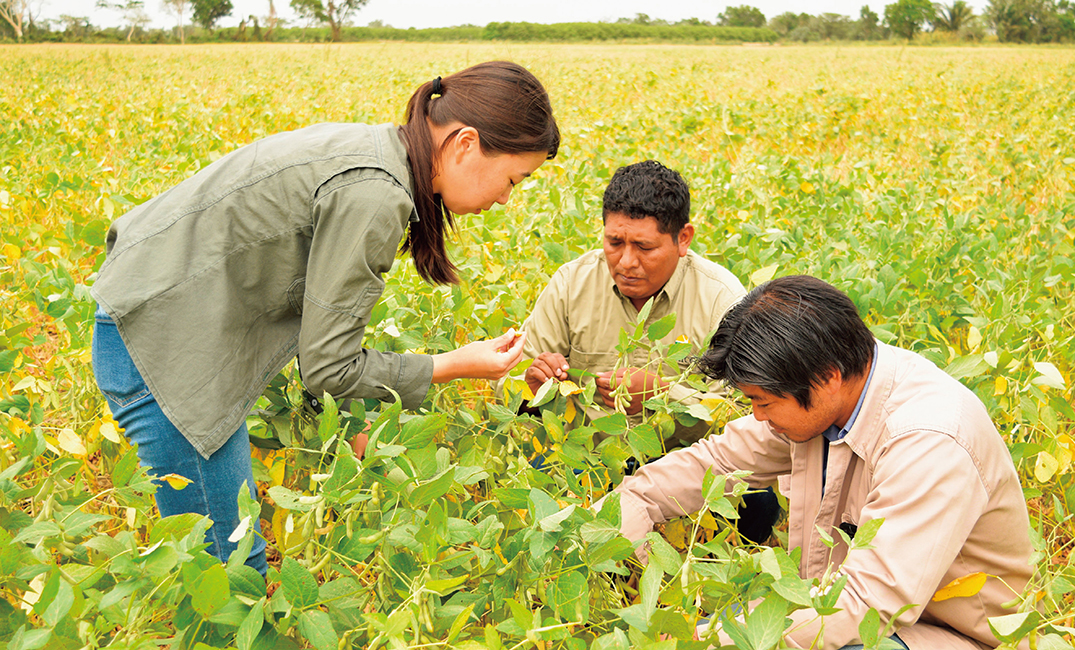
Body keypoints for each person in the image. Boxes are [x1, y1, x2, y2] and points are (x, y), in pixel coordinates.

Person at [90, 61, 560, 574]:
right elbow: (329, 369)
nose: (506, 198)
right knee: (228, 569)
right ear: (465, 144)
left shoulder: (377, 150)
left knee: (223, 557)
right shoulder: (377, 192)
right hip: (161, 349)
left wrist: (356, 428)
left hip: (163, 324)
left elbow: (316, 335)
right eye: (515, 179)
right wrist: (452, 364)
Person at [604, 275, 1033, 649]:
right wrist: (622, 512)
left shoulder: (928, 441)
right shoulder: (830, 396)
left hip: (954, 635)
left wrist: (705, 635)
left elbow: (865, 607)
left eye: (763, 401)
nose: (757, 416)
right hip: (857, 612)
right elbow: (714, 462)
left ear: (826, 377)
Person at [509, 160, 780, 543]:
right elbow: (518, 383)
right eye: (614, 243)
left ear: (683, 239)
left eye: (644, 247)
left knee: (759, 501)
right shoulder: (572, 283)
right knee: (535, 491)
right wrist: (533, 384)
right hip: (590, 455)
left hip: (686, 462)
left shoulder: (722, 298)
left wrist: (663, 397)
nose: (626, 262)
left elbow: (743, 415)